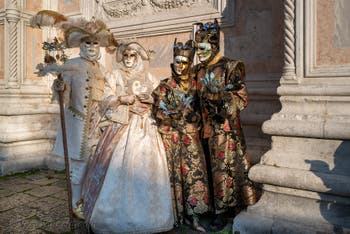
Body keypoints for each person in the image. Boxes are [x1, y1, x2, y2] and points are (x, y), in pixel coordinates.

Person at [81, 42, 174, 233]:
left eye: (133, 56)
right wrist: (122, 100)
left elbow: (161, 98)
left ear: (138, 58)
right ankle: (113, 216)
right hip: (123, 127)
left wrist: (152, 100)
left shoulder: (149, 77)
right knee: (118, 168)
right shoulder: (114, 76)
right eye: (126, 56)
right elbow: (106, 99)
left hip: (147, 128)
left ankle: (151, 217)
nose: (129, 59)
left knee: (148, 168)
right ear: (122, 57)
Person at [31, 12, 116, 220]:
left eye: (95, 44)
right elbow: (64, 91)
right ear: (80, 45)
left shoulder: (101, 68)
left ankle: (87, 197)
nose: (91, 47)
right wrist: (59, 87)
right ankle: (75, 202)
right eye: (87, 43)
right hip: (79, 124)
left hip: (97, 123)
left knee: (93, 163)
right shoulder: (74, 64)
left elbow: (104, 94)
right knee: (79, 163)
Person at [193, 19, 259, 231]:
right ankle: (212, 207)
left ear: (214, 46)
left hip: (225, 131)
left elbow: (241, 96)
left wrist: (221, 99)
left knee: (224, 170)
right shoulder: (197, 70)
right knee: (207, 170)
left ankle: (223, 212)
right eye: (197, 49)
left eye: (202, 49)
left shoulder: (231, 66)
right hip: (203, 128)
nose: (199, 53)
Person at [152, 39, 209, 232]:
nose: (181, 66)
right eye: (178, 61)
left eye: (185, 62)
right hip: (171, 138)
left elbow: (203, 110)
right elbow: (158, 111)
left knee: (193, 175)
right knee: (172, 177)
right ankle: (174, 216)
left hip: (191, 138)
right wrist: (173, 114)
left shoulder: (197, 86)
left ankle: (193, 216)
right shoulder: (164, 86)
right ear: (172, 63)